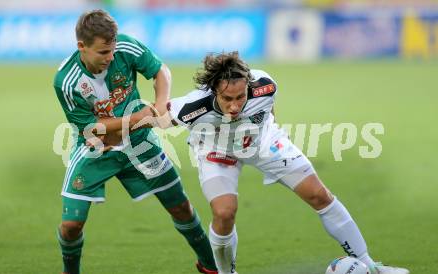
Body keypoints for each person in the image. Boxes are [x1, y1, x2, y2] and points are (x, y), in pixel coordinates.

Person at [162, 52, 410, 274]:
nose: (235, 105)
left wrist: (273, 138)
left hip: (264, 142)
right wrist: (125, 127)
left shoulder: (265, 86)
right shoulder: (191, 107)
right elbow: (155, 119)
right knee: (224, 212)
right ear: (214, 90)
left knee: (320, 195)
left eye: (240, 97)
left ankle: (372, 267)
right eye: (228, 98)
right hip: (216, 151)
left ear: (248, 86)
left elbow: (268, 110)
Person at [53, 9, 218, 274]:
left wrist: (161, 103)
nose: (111, 57)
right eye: (103, 52)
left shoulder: (125, 47)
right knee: (71, 225)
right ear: (81, 47)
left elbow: (160, 71)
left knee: (181, 207)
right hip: (96, 150)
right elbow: (88, 128)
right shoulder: (66, 81)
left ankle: (211, 266)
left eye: (112, 49)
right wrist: (135, 118)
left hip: (140, 144)